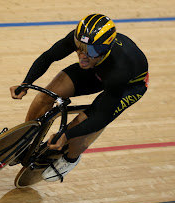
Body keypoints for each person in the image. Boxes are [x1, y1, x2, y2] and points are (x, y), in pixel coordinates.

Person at [10, 14, 149, 182]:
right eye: (79, 47)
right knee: (47, 94)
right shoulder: (86, 46)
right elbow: (48, 57)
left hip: (128, 86)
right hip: (96, 70)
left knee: (78, 130)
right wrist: (26, 83)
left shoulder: (120, 69)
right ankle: (25, 139)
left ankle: (71, 159)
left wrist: (67, 135)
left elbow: (102, 116)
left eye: (90, 50)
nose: (82, 55)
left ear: (106, 48)